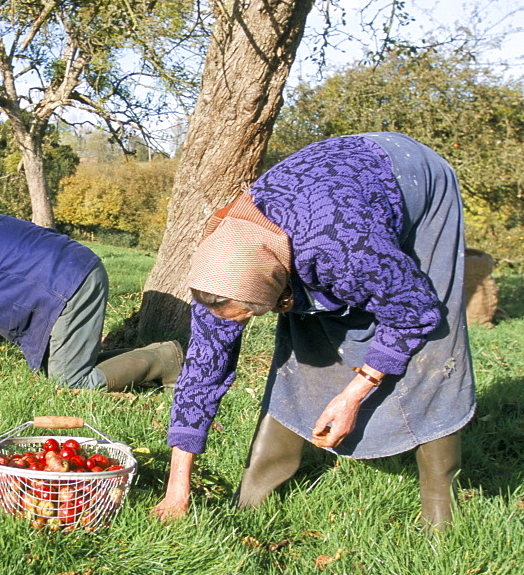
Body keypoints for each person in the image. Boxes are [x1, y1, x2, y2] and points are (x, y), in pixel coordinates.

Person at [153, 132, 475, 530]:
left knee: (432, 341)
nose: (238, 325)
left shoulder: (343, 247)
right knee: (304, 337)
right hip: (321, 211)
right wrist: (176, 489)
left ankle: (440, 514)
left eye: (249, 317)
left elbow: (414, 310)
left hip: (411, 179)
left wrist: (354, 394)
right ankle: (253, 500)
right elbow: (203, 373)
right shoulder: (219, 273)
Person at [0, 198, 183, 390]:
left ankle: (165, 361)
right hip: (71, 275)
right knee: (55, 371)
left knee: (70, 382)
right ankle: (159, 356)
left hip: (73, 282)